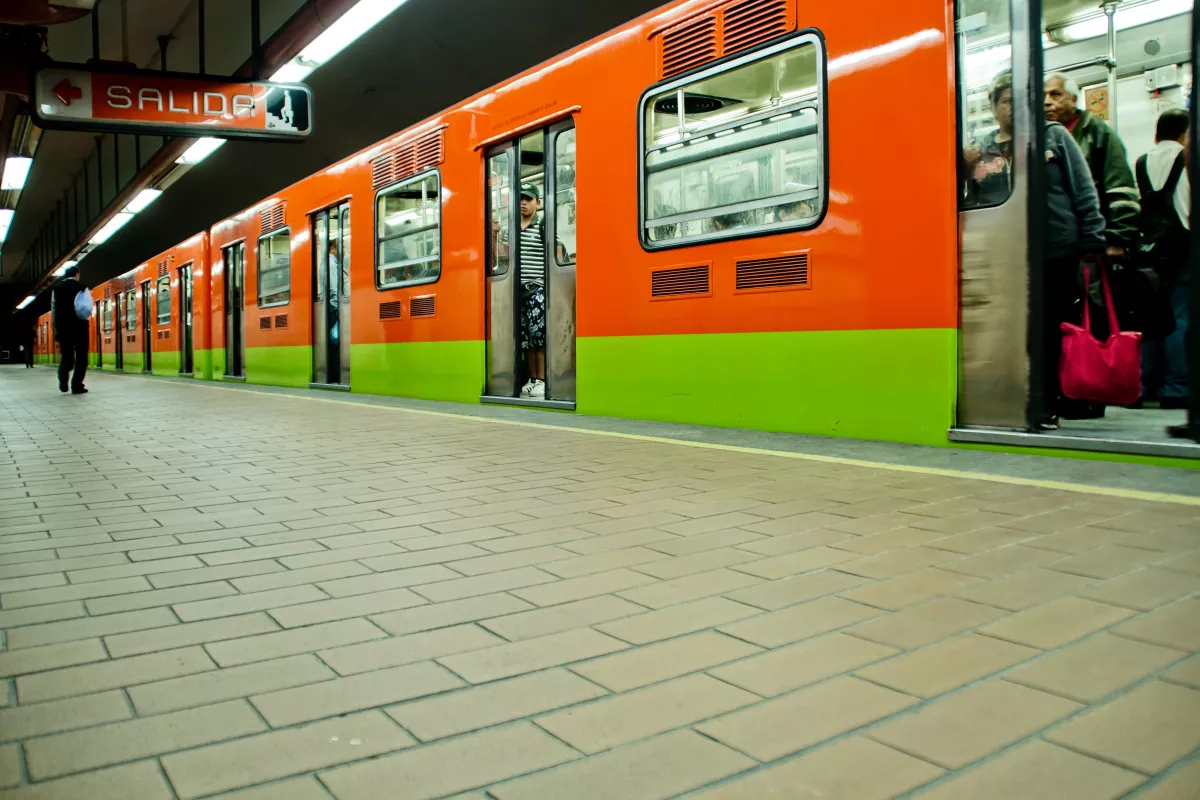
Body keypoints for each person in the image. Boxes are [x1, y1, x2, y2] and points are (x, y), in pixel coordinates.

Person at [1042, 104, 1109, 429]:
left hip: (1060, 250)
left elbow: (1084, 191)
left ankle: (1065, 397)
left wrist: (1093, 239)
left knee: (1061, 325)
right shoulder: (986, 147)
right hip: (1009, 250)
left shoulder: (1054, 137)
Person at [1135, 108, 1190, 410]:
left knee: (1150, 319)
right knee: (1179, 317)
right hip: (1181, 246)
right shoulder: (1186, 158)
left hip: (1149, 250)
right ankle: (1176, 388)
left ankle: (1143, 384)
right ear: (1184, 132)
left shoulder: (1142, 160)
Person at [500, 183, 564, 399]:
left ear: (538, 202)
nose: (523, 203)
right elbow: (503, 256)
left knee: (539, 338)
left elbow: (556, 250)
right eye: (520, 199)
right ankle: (533, 379)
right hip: (520, 291)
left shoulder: (542, 224)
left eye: (528, 199)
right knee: (526, 338)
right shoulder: (511, 228)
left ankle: (543, 380)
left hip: (538, 288)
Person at [965, 72, 1015, 206]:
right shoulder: (981, 151)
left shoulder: (1047, 138)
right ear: (994, 108)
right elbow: (971, 199)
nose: (1014, 106)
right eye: (1007, 101)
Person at [49, 265, 90, 394]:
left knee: (66, 356)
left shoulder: (56, 288)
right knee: (82, 357)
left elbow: (54, 311)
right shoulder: (82, 287)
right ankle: (77, 385)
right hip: (80, 328)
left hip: (63, 329)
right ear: (77, 274)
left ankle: (63, 379)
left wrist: (55, 329)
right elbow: (87, 308)